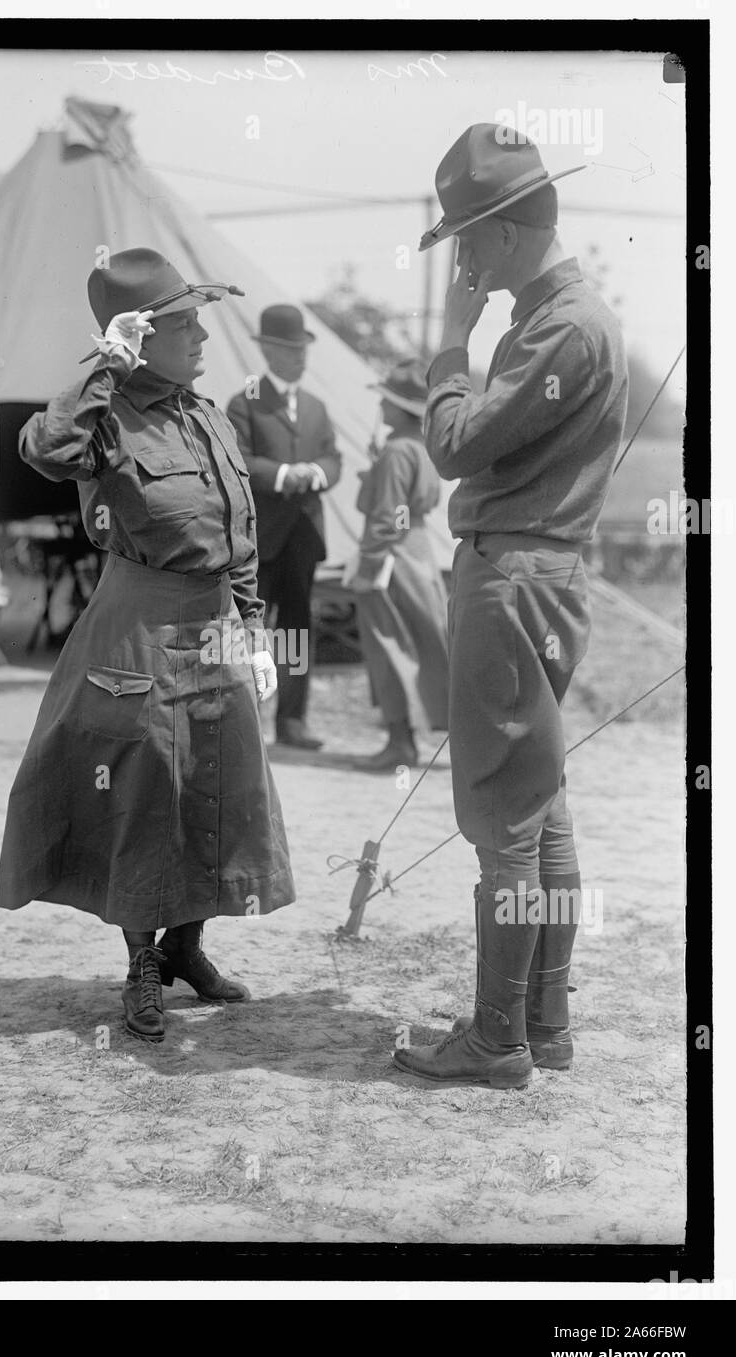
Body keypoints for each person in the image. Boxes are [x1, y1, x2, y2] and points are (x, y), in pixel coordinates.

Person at [0, 248, 296, 1045]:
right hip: (136, 629)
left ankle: (188, 947)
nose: (202, 337)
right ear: (141, 337)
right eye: (185, 324)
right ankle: (140, 966)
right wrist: (103, 364)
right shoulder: (106, 418)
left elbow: (242, 533)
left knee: (218, 788)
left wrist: (253, 625)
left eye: (199, 321)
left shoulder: (209, 415)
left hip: (213, 628)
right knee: (141, 794)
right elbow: (45, 450)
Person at [392, 124, 628, 1089]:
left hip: (513, 578)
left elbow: (455, 444)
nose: (460, 256)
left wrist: (450, 340)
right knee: (542, 812)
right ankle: (543, 1022)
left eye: (464, 237)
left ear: (501, 232)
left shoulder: (558, 324)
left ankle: (497, 1042)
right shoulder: (569, 317)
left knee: (505, 824)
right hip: (545, 574)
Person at [226, 305, 342, 751]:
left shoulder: (315, 407)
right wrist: (281, 475)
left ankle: (291, 723)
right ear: (269, 351)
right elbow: (239, 460)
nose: (300, 358)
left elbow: (334, 459)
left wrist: (314, 472)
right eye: (290, 350)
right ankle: (243, 720)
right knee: (247, 629)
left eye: (303, 349)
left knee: (296, 629)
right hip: (259, 537)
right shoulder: (247, 401)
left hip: (303, 537)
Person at [344, 359, 450, 771]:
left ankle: (400, 743)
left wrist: (368, 564)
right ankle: (412, 737)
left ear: (399, 408)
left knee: (388, 647)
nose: (380, 408)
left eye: (385, 401)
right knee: (423, 645)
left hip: (390, 557)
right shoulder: (420, 449)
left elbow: (388, 516)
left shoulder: (395, 452)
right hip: (418, 552)